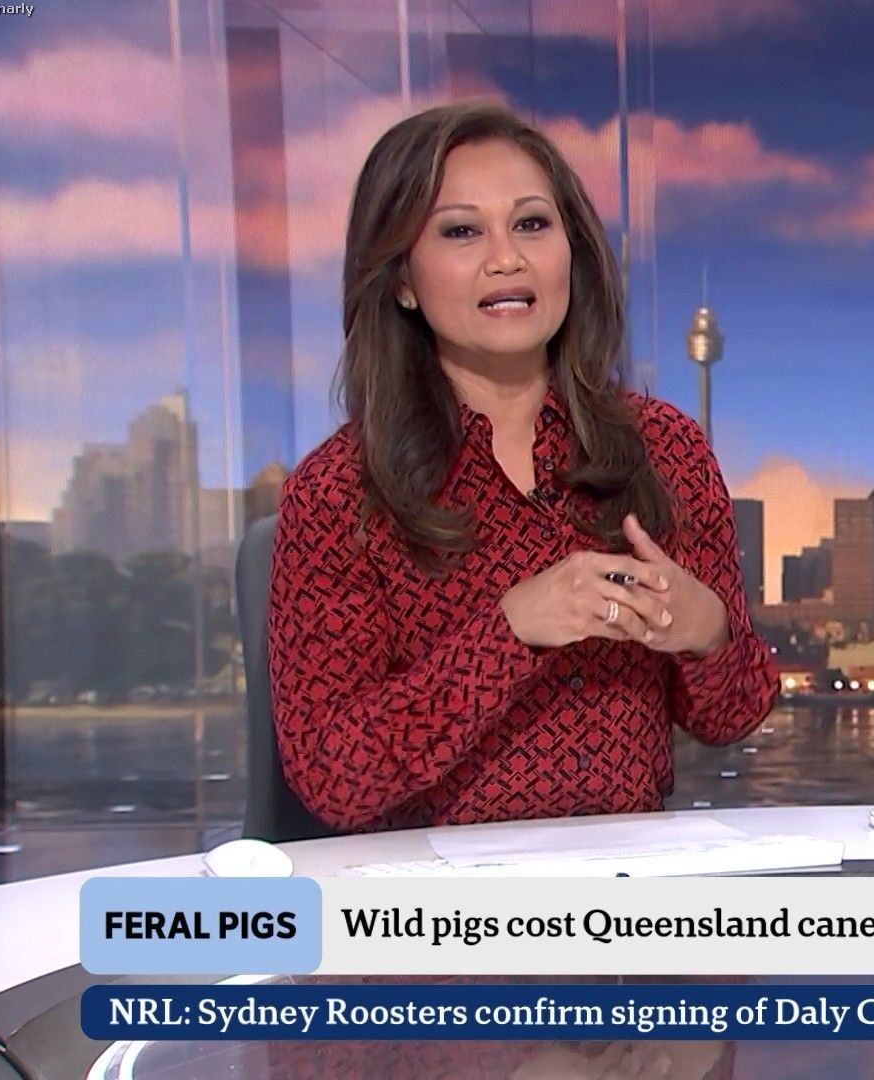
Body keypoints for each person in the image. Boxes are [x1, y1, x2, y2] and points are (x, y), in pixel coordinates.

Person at [268, 101, 777, 832]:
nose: (506, 258)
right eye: (461, 231)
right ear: (403, 278)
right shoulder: (338, 491)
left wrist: (708, 631)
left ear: (572, 251)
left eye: (532, 224)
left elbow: (735, 715)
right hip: (430, 893)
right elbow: (332, 776)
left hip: (627, 887)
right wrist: (510, 632)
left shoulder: (666, 448)